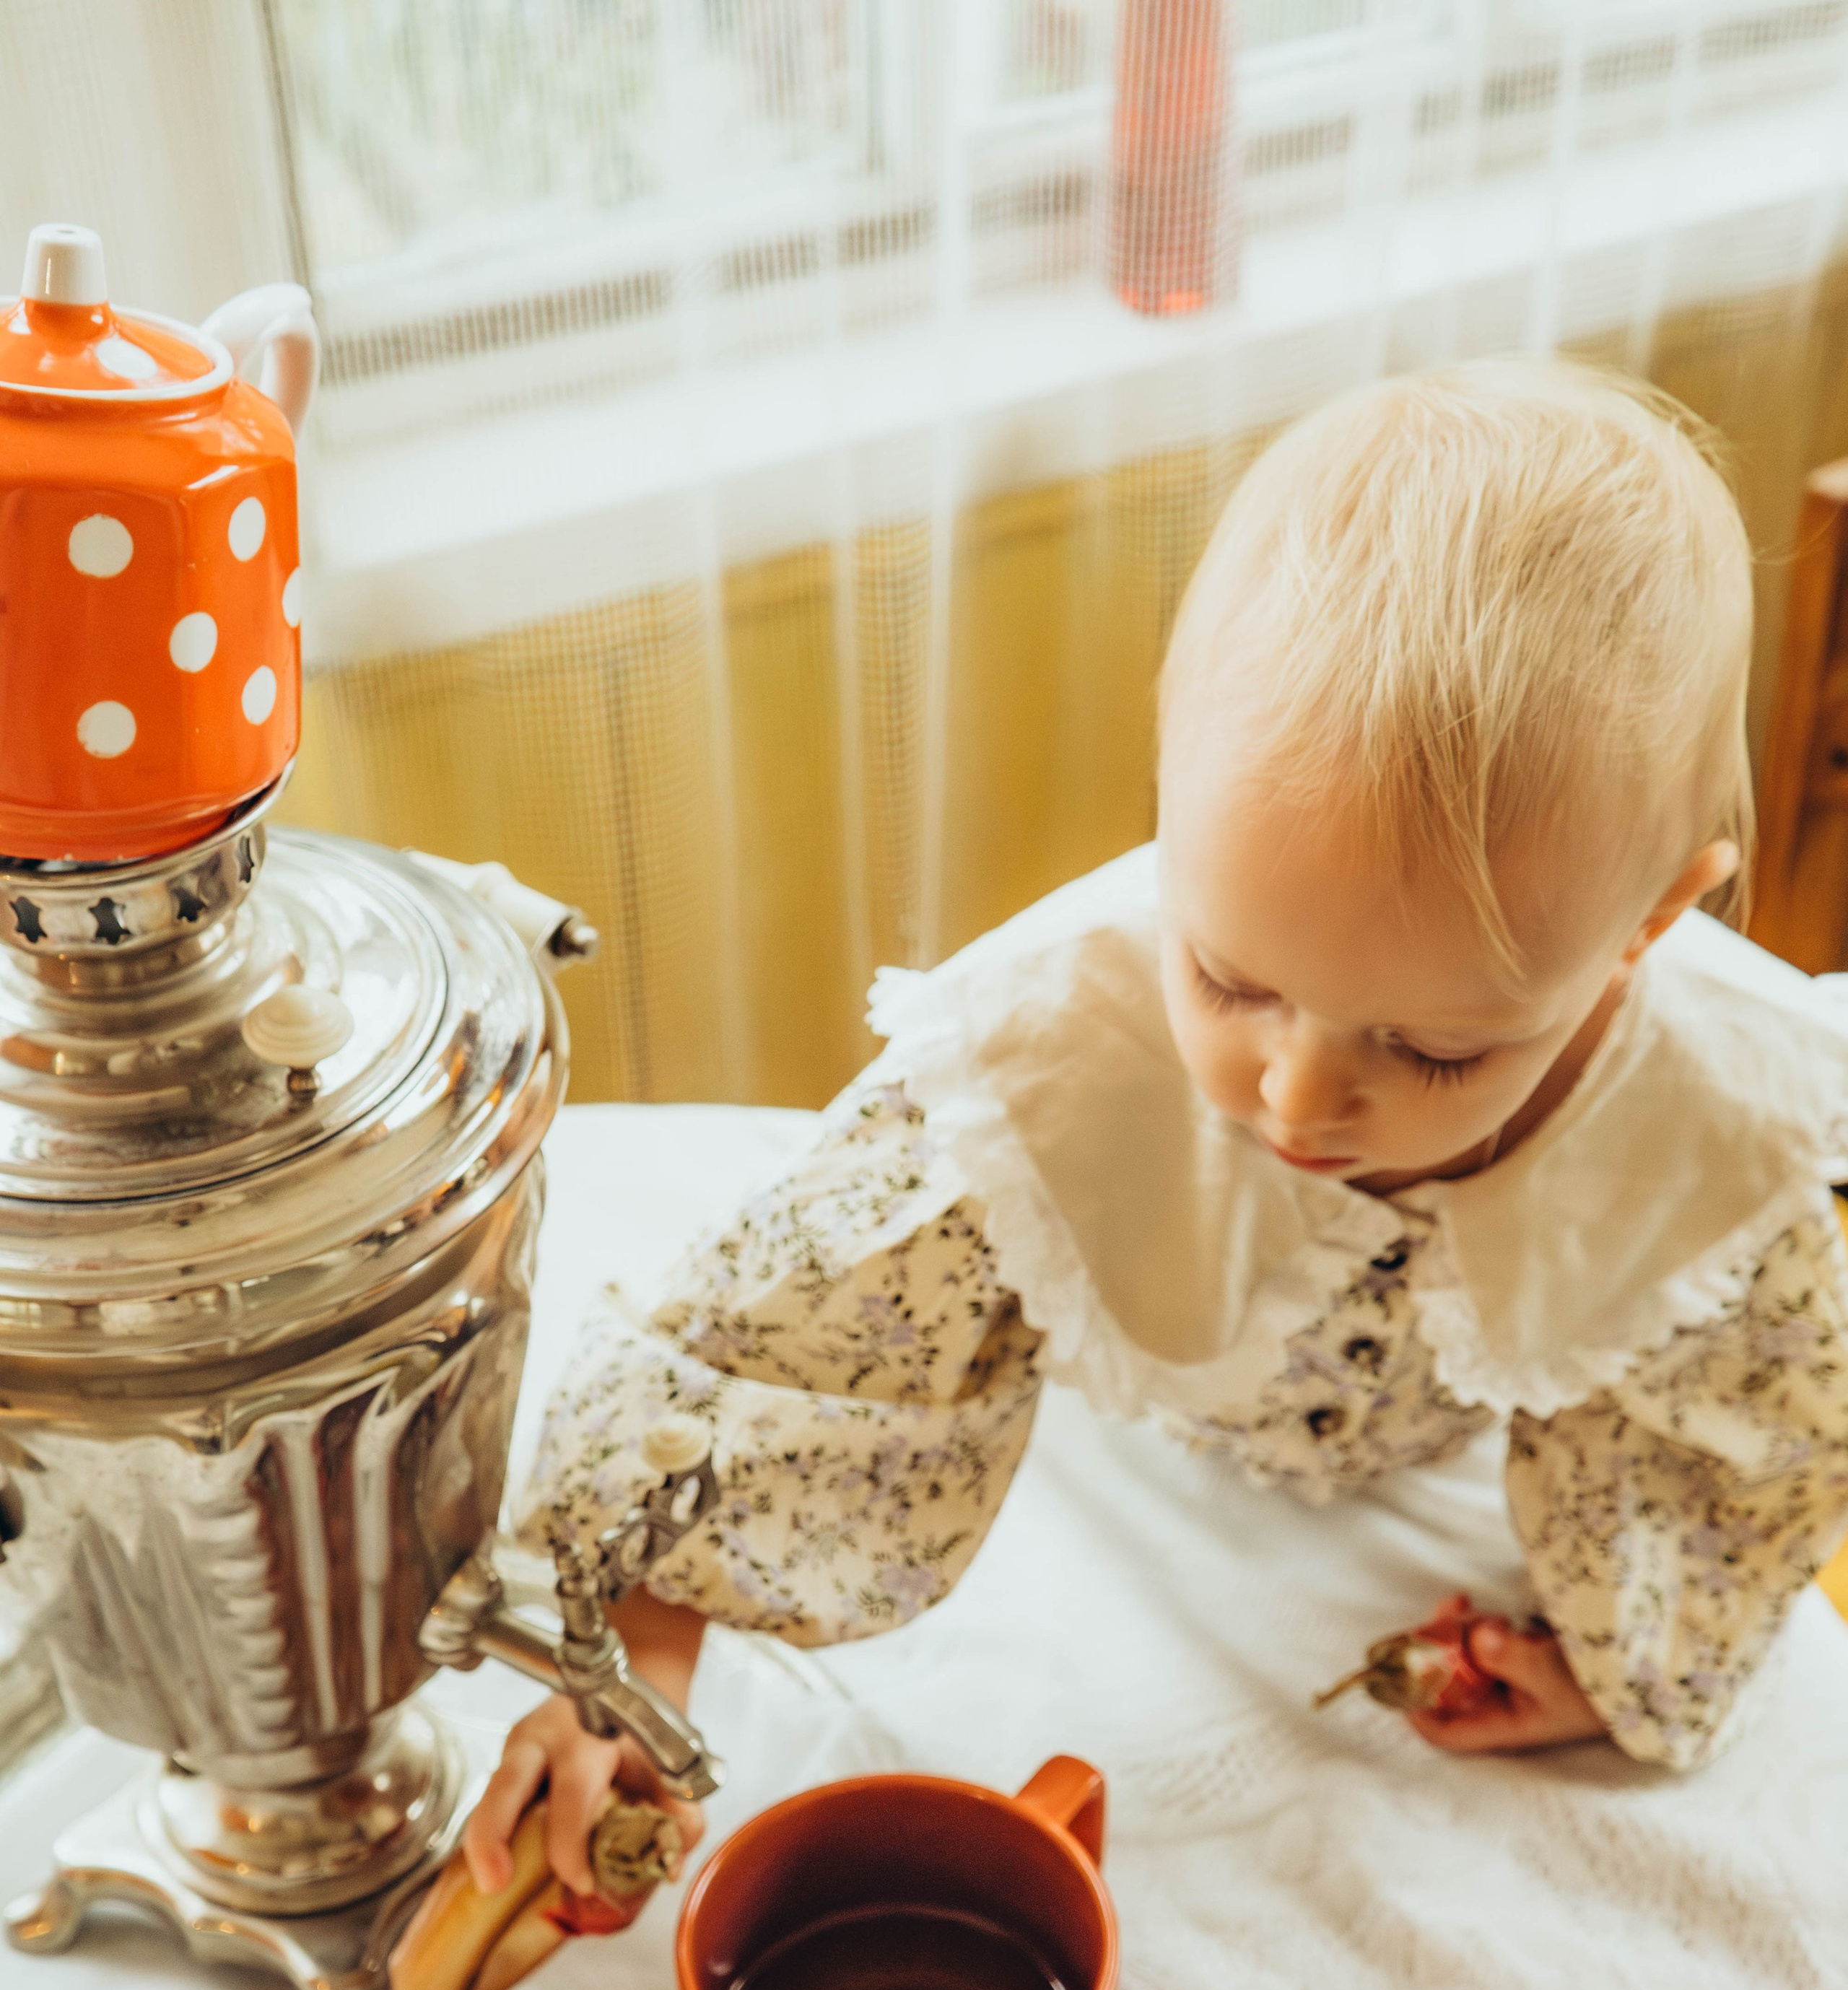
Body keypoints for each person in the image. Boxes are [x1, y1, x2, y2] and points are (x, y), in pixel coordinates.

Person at [465, 359, 1848, 1898]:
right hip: (1142, 1439)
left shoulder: (1712, 1112)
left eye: (1435, 1048)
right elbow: (792, 1346)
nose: (1298, 1096)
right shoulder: (1063, 1043)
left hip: (1434, 1475)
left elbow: (1740, 1420)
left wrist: (1616, 1654)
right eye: (1228, 977)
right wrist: (632, 1657)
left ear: (1647, 919)